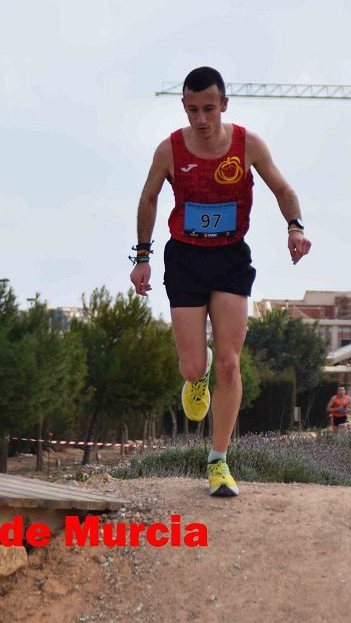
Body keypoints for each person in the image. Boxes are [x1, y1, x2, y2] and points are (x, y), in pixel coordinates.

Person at [129, 66, 312, 497]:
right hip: (185, 259)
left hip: (230, 257)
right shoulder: (169, 150)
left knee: (231, 361)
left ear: (224, 104)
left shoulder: (248, 144)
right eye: (192, 109)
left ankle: (218, 461)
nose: (201, 119)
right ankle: (197, 375)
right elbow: (149, 198)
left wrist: (295, 227)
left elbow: (283, 189)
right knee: (195, 365)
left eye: (209, 108)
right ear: (184, 107)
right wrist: (142, 257)